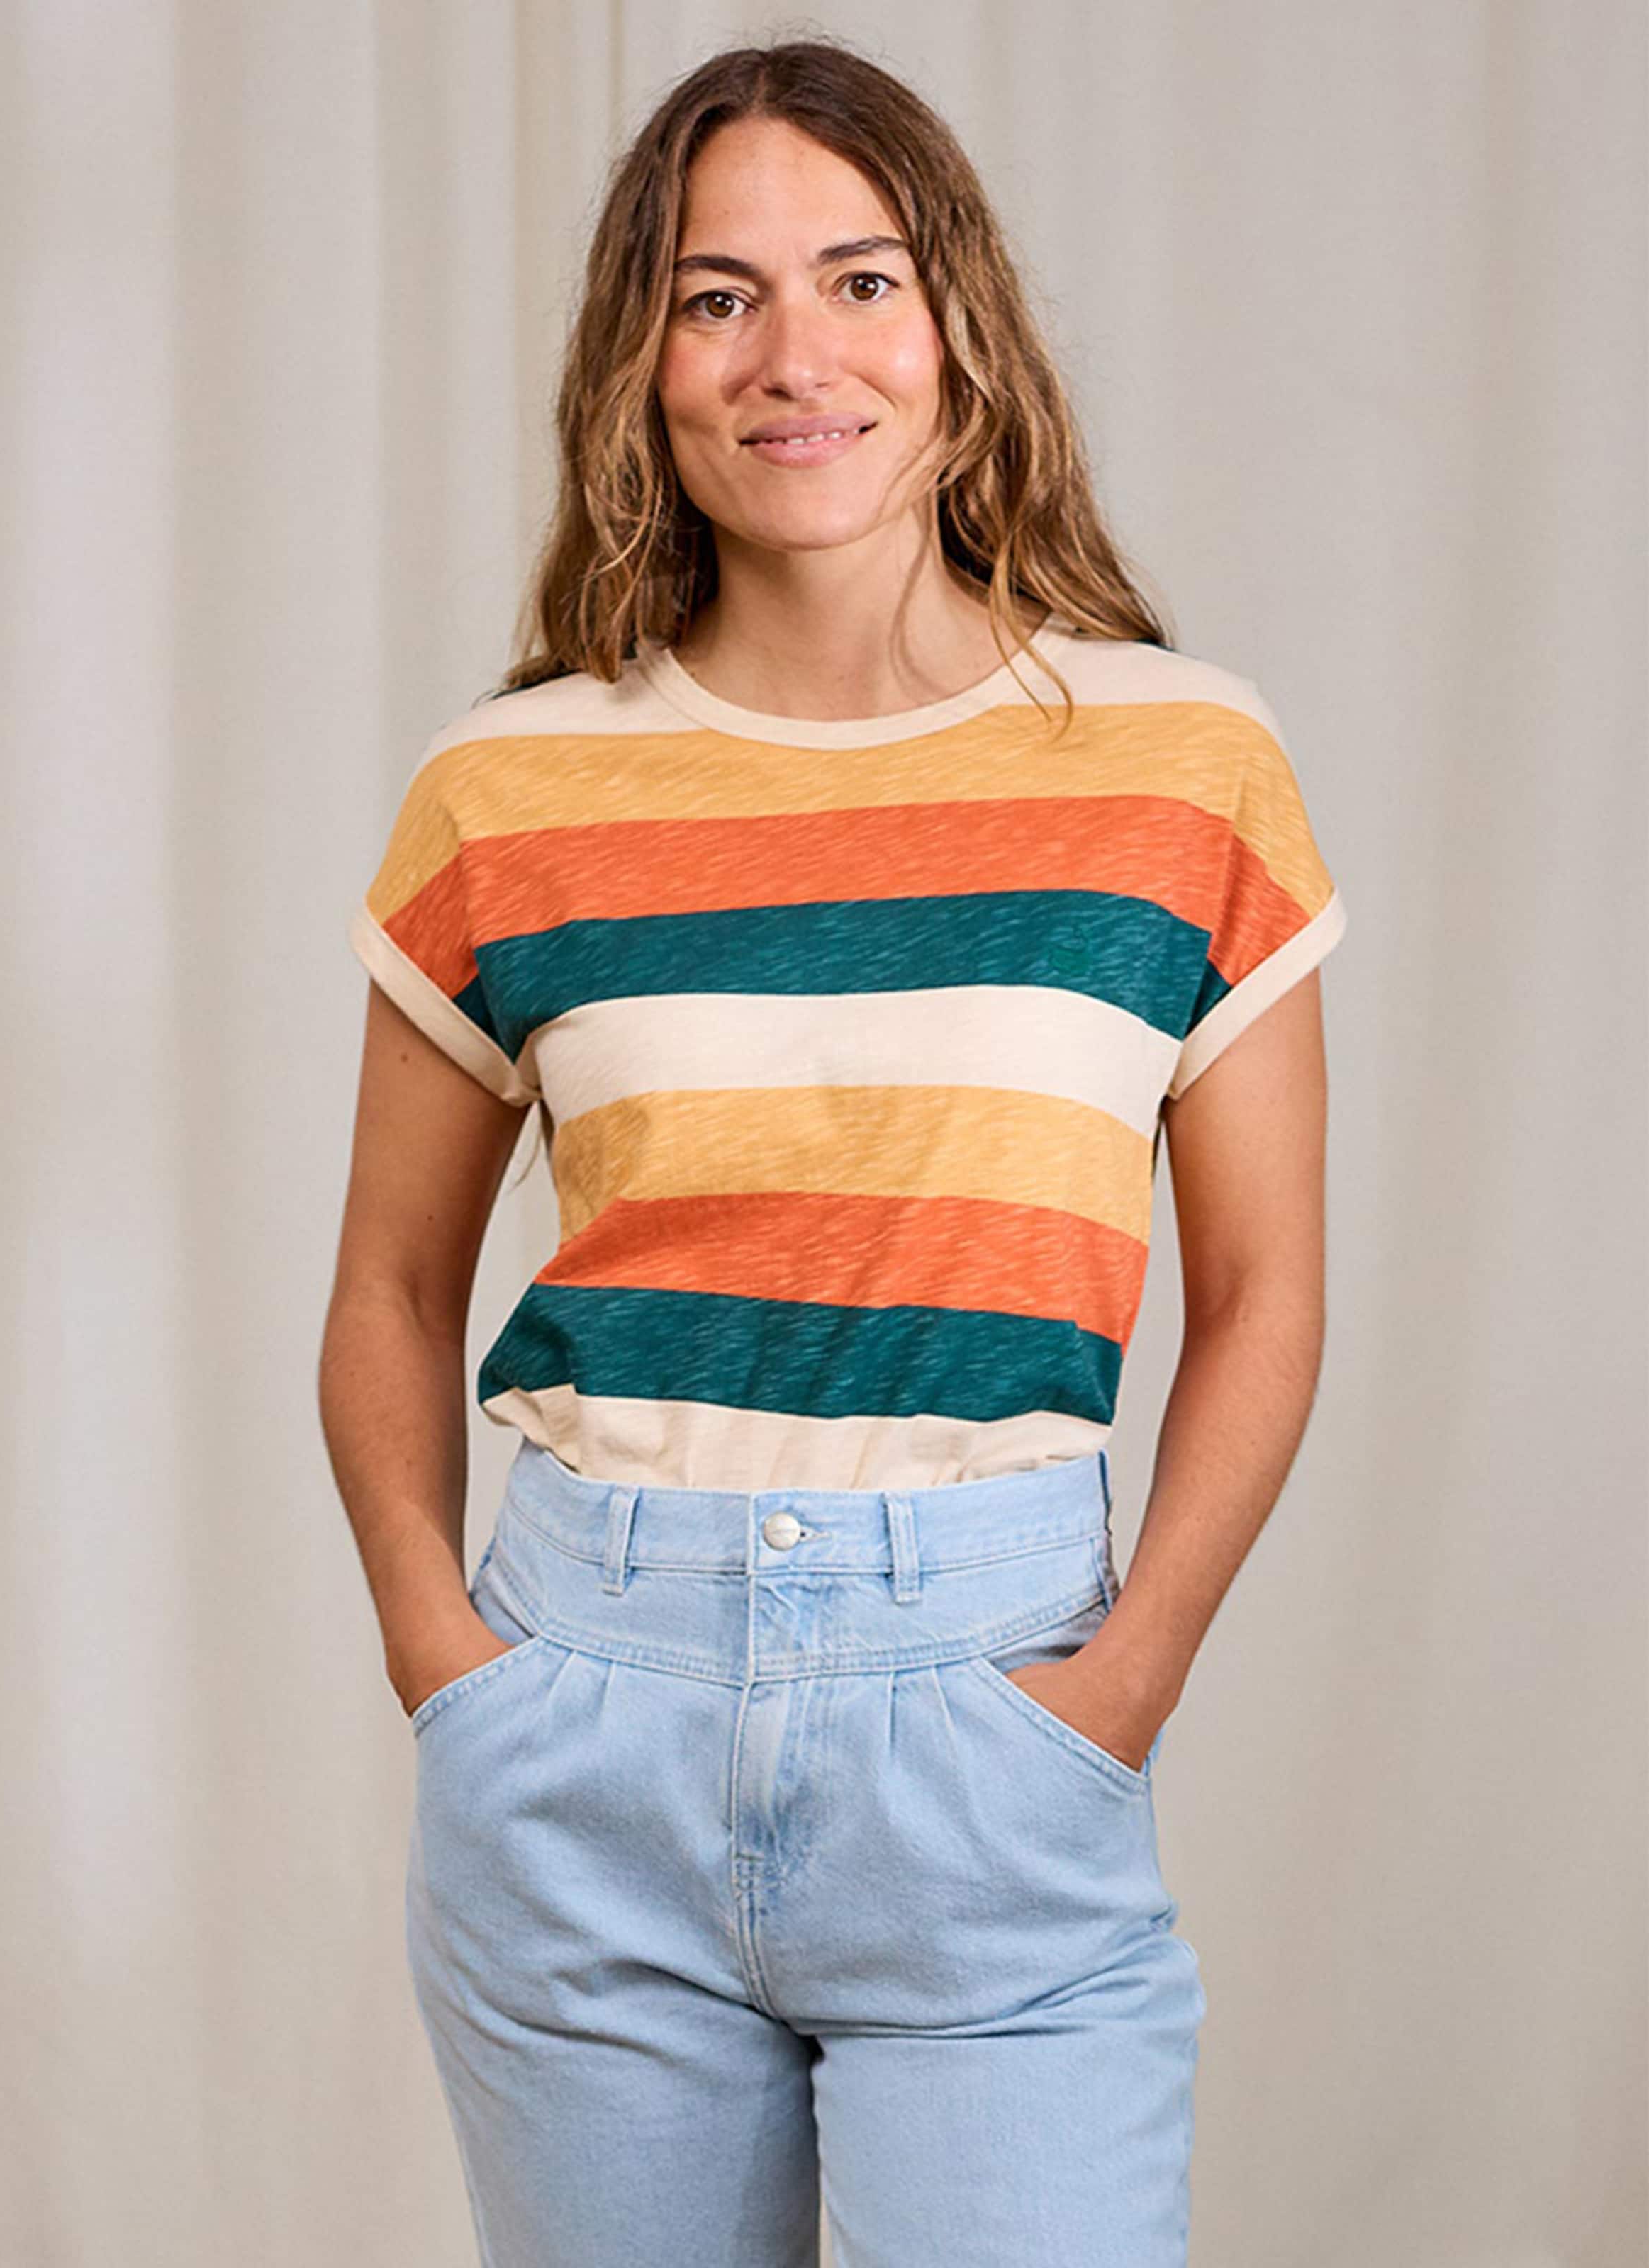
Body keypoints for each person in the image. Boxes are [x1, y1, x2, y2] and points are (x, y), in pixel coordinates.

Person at [320, 35, 1346, 2268]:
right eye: (719, 297)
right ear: (645, 365)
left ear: (961, 332)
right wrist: (445, 1665)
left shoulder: (1184, 766)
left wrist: (1123, 1687)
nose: (795, 357)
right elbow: (389, 1288)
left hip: (994, 1712)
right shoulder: (510, 790)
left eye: (859, 281)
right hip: (580, 1719)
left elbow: (1271, 1298)